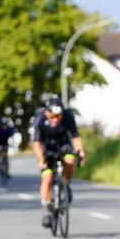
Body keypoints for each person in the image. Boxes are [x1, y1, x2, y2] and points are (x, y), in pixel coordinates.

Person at [32, 97, 86, 227]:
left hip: (63, 145)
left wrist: (81, 151)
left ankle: (65, 184)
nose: (55, 119)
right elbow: (37, 143)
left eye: (58, 116)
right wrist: (40, 160)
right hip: (47, 148)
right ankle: (46, 212)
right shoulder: (40, 118)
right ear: (47, 113)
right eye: (52, 117)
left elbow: (75, 137)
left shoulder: (67, 116)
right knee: (48, 178)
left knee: (69, 160)